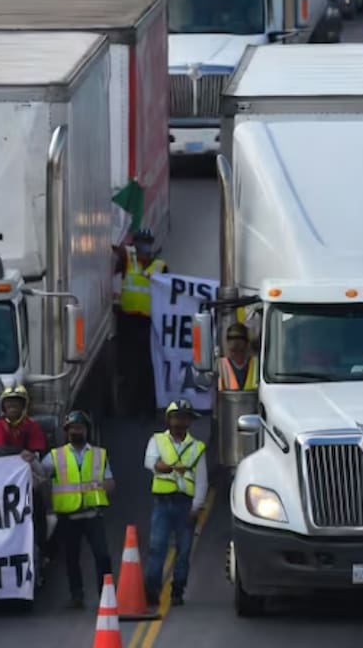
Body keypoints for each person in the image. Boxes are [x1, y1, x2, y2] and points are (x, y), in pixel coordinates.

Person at [43, 410, 114, 608]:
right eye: (72, 428)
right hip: (69, 517)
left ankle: (106, 594)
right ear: (67, 432)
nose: (76, 431)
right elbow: (40, 476)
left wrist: (101, 488)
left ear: (86, 431)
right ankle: (77, 595)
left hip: (92, 515)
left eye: (79, 428)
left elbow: (110, 481)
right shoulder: (55, 456)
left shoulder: (99, 455)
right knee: (71, 558)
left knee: (103, 556)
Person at [144, 399, 208, 606]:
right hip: (162, 503)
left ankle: (177, 591)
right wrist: (166, 467)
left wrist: (196, 507)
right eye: (177, 417)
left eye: (185, 417)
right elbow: (151, 463)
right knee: (157, 547)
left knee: (184, 551)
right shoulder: (157, 441)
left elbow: (202, 480)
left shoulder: (197, 447)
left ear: (190, 421)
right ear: (169, 419)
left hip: (185, 505)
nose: (180, 421)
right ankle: (151, 592)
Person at [0, 384, 50, 554]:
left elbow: (36, 450)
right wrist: (19, 452)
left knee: (39, 507)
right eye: (9, 404)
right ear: (3, 407)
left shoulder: (32, 426)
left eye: (16, 404)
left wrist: (30, 454)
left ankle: (42, 549)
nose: (12, 408)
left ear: (24, 406)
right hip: (4, 481)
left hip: (28, 479)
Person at [115, 229, 167, 414]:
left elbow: (171, 292)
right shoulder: (128, 259)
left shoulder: (160, 265)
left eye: (147, 242)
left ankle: (148, 406)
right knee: (129, 365)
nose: (143, 246)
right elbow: (114, 257)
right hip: (128, 321)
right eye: (140, 242)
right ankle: (130, 407)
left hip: (148, 324)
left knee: (148, 365)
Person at [218, 322, 259, 391]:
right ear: (227, 346)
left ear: (247, 345)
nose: (237, 356)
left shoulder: (257, 364)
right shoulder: (221, 366)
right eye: (233, 351)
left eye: (241, 351)